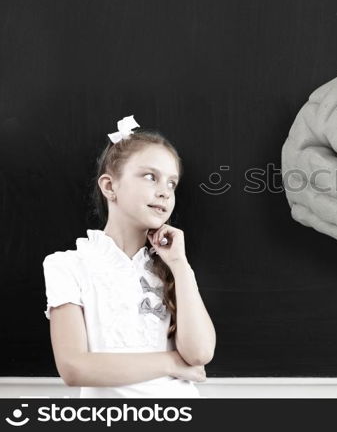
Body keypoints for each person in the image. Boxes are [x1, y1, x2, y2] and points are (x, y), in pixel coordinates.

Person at [42, 114, 216, 398]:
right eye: (150, 176)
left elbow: (199, 353)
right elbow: (74, 367)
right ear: (110, 187)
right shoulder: (67, 265)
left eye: (172, 184)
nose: (164, 192)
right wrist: (172, 362)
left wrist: (180, 266)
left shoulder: (172, 266)